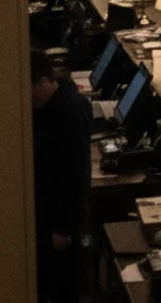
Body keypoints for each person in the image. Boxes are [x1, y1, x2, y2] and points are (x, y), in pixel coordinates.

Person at [30, 49, 91, 303]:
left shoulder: (66, 115)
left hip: (60, 220)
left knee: (62, 286)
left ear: (44, 83)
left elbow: (73, 174)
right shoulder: (65, 103)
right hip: (52, 212)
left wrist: (62, 227)